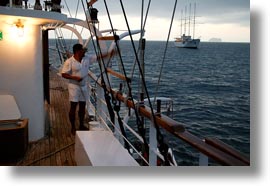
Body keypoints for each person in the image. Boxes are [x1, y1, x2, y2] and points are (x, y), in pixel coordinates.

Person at [61, 43, 113, 135]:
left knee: (82, 106)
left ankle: (81, 124)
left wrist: (109, 53)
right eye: (82, 50)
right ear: (77, 51)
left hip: (84, 86)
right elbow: (64, 74)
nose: (84, 52)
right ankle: (73, 127)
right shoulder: (69, 61)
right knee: (73, 106)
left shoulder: (87, 59)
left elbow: (98, 57)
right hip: (74, 86)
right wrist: (75, 78)